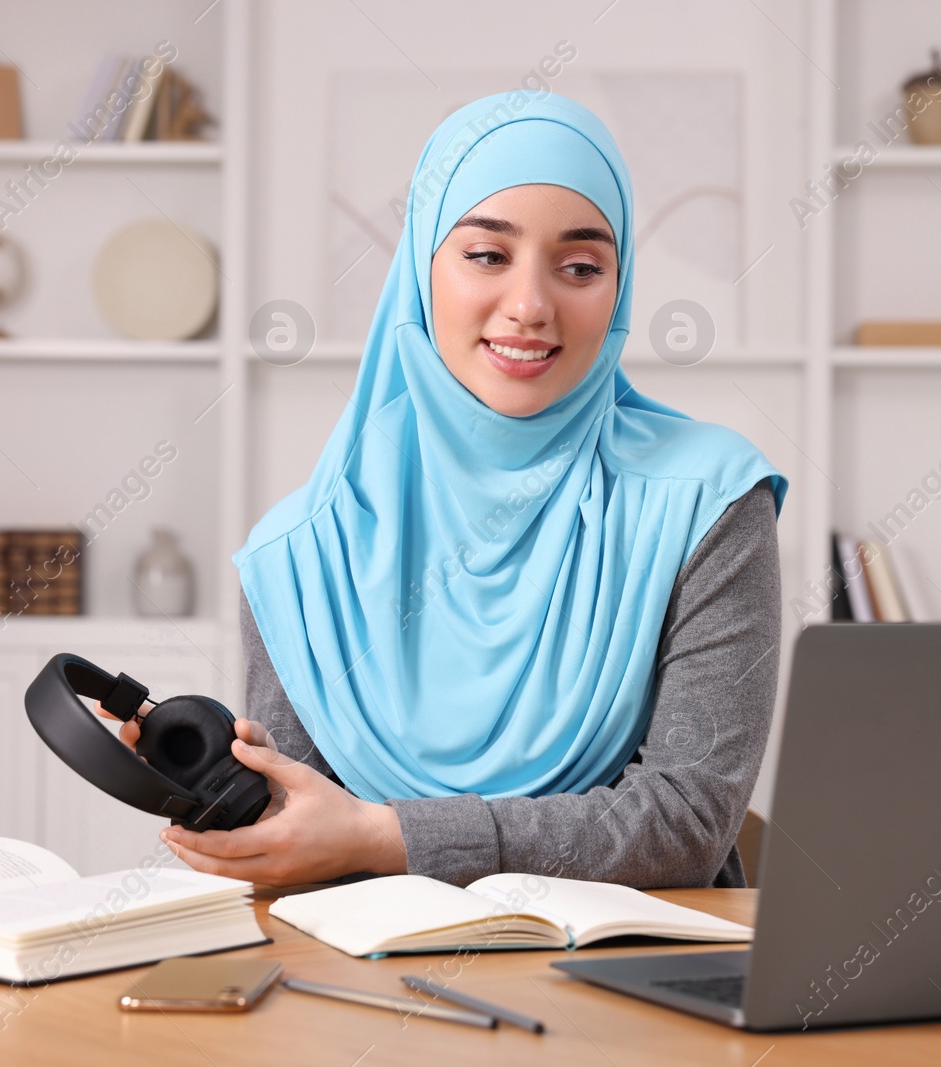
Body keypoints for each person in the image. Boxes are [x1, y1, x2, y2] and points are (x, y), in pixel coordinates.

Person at [102, 91, 786, 889]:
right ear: (422, 269)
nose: (531, 306)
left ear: (619, 285)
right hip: (369, 989)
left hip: (636, 983)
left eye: (580, 266)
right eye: (488, 256)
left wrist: (387, 836)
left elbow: (685, 825)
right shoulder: (304, 552)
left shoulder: (708, 501)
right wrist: (214, 784)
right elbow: (305, 837)